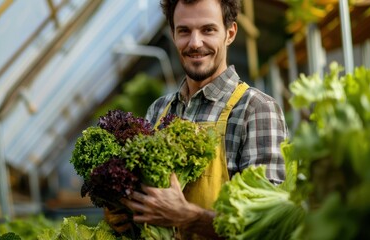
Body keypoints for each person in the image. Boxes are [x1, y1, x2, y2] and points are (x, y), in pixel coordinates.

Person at [105, 0, 289, 239]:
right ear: (173, 34)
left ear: (230, 33)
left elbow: (268, 226)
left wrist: (187, 217)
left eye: (208, 30)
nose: (194, 43)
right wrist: (125, 215)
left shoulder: (255, 110)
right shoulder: (158, 111)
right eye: (184, 31)